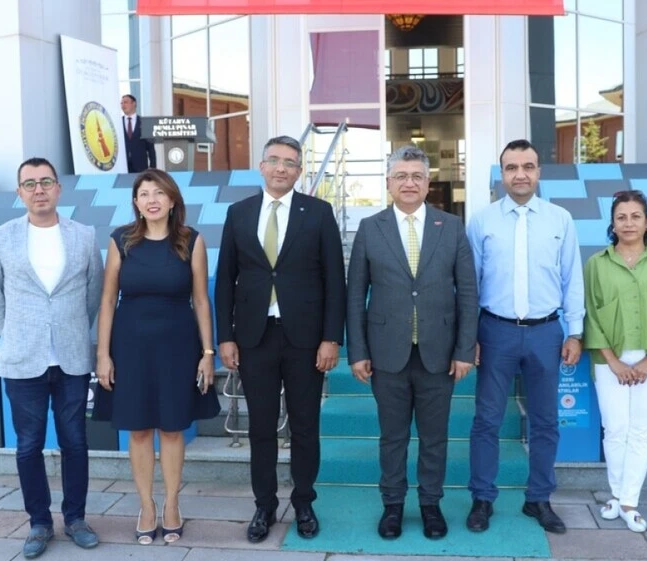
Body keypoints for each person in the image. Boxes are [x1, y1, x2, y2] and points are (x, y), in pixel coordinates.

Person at [215, 135, 346, 543]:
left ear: (299, 170)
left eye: (290, 162)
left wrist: (331, 338)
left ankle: (304, 501)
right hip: (254, 338)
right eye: (274, 160)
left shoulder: (319, 213)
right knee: (260, 427)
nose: (281, 168)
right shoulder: (239, 213)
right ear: (261, 165)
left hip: (305, 339)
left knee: (305, 425)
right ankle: (265, 505)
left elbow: (335, 281)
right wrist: (225, 338)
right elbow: (226, 281)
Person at [346, 146, 478, 540]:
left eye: (416, 176)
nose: (409, 183)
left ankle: (430, 505)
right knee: (393, 437)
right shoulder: (370, 228)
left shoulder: (450, 226)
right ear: (389, 182)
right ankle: (392, 506)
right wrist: (358, 351)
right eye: (401, 176)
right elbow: (356, 294)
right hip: (386, 354)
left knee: (435, 438)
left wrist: (464, 350)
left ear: (427, 182)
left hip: (439, 354)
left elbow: (468, 292)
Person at [0, 157, 103, 558]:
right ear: (19, 192)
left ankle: (76, 518)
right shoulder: (1, 237)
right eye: (30, 184)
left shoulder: (84, 236)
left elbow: (93, 294)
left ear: (58, 188)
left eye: (46, 182)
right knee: (28, 445)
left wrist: (69, 330)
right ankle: (39, 522)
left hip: (71, 357)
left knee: (75, 442)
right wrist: (18, 334)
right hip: (23, 359)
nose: (39, 190)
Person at [465, 139, 585, 535]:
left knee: (546, 420)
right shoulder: (481, 221)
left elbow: (572, 279)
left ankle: (539, 498)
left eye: (528, 166)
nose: (520, 174)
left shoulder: (560, 219)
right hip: (494, 331)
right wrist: (469, 335)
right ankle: (483, 498)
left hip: (546, 332)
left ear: (538, 172)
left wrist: (575, 332)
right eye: (512, 167)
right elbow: (469, 283)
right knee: (487, 420)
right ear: (502, 174)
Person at [95, 169, 219, 545]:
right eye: (145, 194)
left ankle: (172, 505)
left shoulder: (191, 240)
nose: (152, 200)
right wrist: (103, 354)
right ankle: (146, 506)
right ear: (135, 202)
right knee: (138, 428)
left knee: (172, 428)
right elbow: (107, 300)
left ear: (172, 200)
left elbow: (201, 300)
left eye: (159, 193)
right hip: (130, 347)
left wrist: (208, 353)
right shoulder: (120, 240)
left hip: (178, 347)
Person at [583, 190, 647, 533]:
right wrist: (613, 362)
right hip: (607, 359)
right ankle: (615, 495)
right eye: (621, 217)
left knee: (641, 430)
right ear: (612, 223)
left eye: (635, 216)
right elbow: (590, 313)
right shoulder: (596, 264)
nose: (628, 223)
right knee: (615, 429)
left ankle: (629, 502)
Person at [121, 94, 156, 172]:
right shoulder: (118, 123)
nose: (123, 105)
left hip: (141, 167)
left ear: (134, 103)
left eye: (125, 102)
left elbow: (151, 148)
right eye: (121, 103)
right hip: (123, 167)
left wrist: (152, 167)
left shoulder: (145, 123)